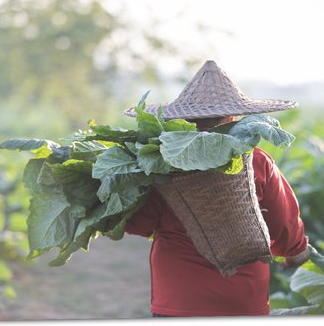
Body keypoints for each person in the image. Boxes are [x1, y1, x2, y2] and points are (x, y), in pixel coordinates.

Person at [124, 60, 310, 317]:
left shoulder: (163, 162)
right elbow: (284, 223)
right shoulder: (256, 161)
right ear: (233, 118)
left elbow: (139, 224)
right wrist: (295, 253)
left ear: (184, 119)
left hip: (179, 297)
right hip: (243, 298)